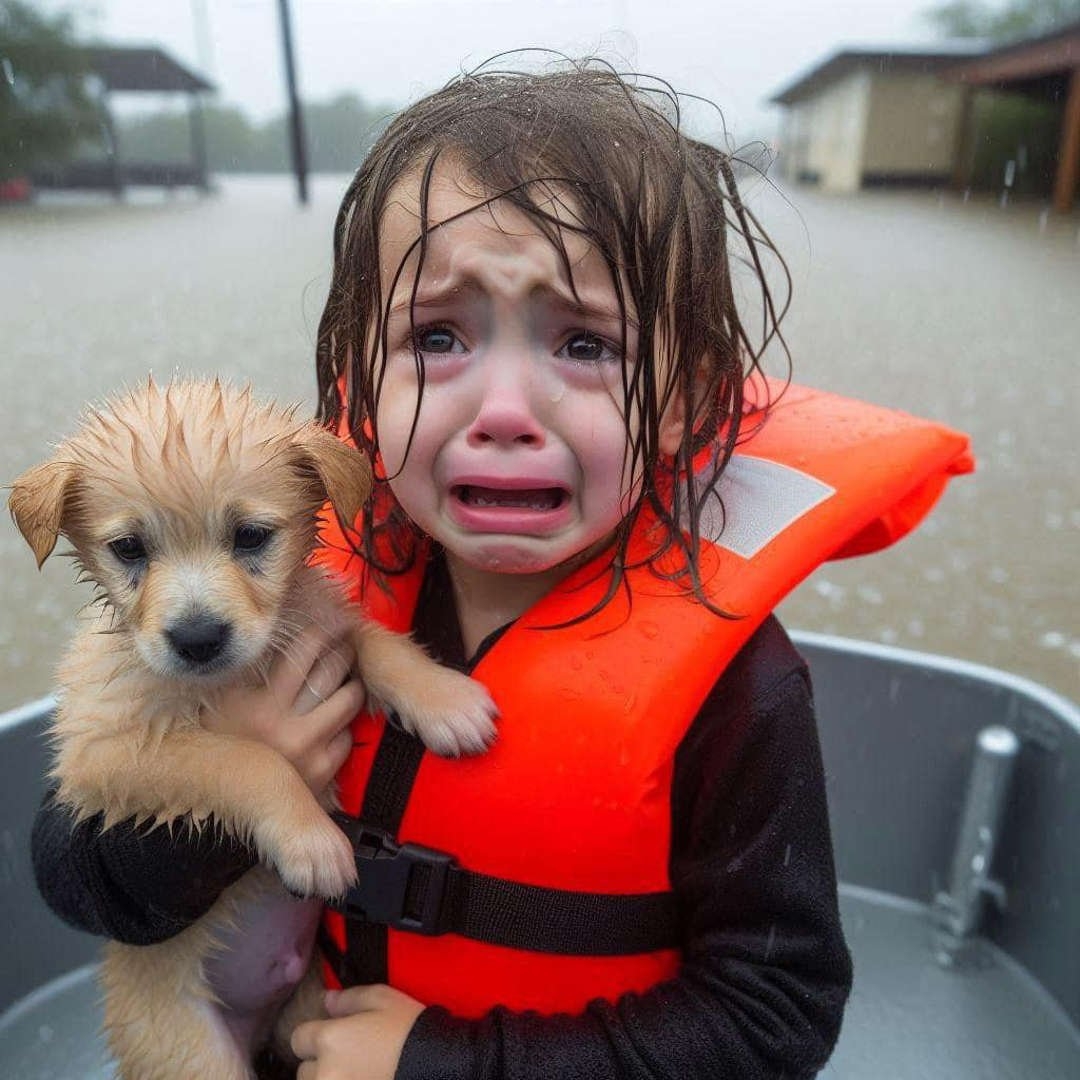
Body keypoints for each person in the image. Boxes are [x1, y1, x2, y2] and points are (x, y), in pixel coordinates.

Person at [32, 60, 868, 1079]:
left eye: (583, 342)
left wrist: (449, 1064)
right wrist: (236, 797)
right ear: (359, 381)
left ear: (690, 397)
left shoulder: (745, 694)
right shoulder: (299, 568)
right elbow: (74, 882)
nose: (505, 409)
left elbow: (776, 1017)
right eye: (438, 335)